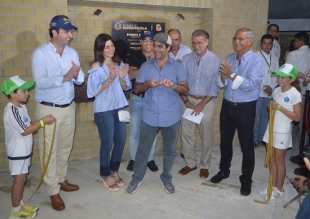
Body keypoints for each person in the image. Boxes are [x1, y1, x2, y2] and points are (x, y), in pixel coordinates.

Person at [31, 15, 84, 211]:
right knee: (49, 151)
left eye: (71, 31)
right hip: (49, 109)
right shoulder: (40, 54)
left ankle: (61, 179)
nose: (70, 35)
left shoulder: (72, 52)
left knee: (64, 147)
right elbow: (40, 81)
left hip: (68, 107)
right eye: (67, 31)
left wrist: (77, 74)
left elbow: (80, 79)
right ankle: (53, 190)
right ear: (54, 32)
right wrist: (65, 77)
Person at [126, 33, 189, 194]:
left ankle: (166, 178)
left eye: (160, 46)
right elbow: (136, 88)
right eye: (155, 46)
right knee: (143, 149)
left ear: (168, 48)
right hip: (150, 114)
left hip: (171, 115)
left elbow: (185, 89)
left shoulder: (177, 67)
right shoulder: (146, 67)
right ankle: (136, 179)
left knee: (169, 151)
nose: (156, 49)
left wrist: (174, 86)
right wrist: (147, 84)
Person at [210, 28, 264, 196]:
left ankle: (246, 179)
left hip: (245, 108)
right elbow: (220, 83)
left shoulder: (256, 60)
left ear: (249, 41)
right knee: (225, 142)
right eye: (235, 38)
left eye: (241, 39)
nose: (237, 42)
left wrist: (231, 74)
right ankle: (224, 171)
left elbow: (251, 85)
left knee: (246, 145)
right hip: (227, 106)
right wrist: (224, 77)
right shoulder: (230, 57)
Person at [1, 75, 55, 219]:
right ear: (12, 93)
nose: (27, 93)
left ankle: (19, 205)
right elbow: (25, 131)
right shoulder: (11, 110)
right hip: (18, 152)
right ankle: (15, 211)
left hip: (24, 151)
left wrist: (40, 121)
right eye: (23, 91)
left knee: (23, 179)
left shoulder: (21, 107)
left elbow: (28, 123)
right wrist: (43, 122)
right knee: (19, 181)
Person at [87, 33, 131, 192]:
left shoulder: (119, 64)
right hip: (104, 110)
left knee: (120, 140)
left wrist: (120, 78)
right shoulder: (96, 67)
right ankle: (105, 173)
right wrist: (110, 79)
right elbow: (92, 92)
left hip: (119, 108)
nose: (111, 49)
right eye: (106, 47)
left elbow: (126, 88)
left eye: (112, 46)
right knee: (107, 142)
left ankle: (114, 170)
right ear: (100, 49)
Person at [178, 29, 221, 179]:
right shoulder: (186, 59)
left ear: (207, 42)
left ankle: (205, 165)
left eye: (200, 43)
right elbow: (181, 82)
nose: (197, 46)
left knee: (206, 135)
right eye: (194, 43)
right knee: (187, 133)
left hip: (206, 101)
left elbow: (215, 86)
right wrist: (187, 101)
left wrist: (201, 104)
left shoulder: (216, 60)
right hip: (187, 99)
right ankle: (190, 163)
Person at [259, 64, 302, 200]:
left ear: (292, 79)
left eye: (284, 77)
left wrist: (280, 107)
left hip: (282, 131)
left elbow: (297, 117)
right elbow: (272, 105)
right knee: (271, 158)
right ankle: (272, 185)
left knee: (279, 160)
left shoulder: (294, 94)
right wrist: (269, 106)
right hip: (271, 128)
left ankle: (280, 189)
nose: (280, 79)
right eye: (279, 76)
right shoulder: (277, 90)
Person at [127, 30, 158, 172]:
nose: (148, 43)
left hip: (153, 100)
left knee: (151, 131)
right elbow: (130, 75)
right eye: (145, 40)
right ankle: (134, 158)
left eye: (151, 41)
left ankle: (149, 159)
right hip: (137, 99)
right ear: (140, 42)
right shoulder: (134, 56)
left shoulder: (160, 56)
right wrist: (147, 66)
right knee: (134, 131)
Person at [286, 32, 310, 165]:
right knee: (305, 124)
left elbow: (287, 73)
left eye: (295, 41)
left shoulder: (293, 54)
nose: (294, 44)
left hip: (295, 93)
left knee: (290, 120)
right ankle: (305, 152)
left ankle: (298, 152)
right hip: (308, 94)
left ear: (301, 41)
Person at [253, 34, 279, 148]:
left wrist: (271, 87)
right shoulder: (255, 56)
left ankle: (261, 138)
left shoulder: (275, 57)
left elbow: (276, 74)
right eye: (265, 43)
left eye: (269, 44)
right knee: (254, 115)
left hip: (270, 92)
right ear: (260, 44)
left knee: (265, 116)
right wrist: (265, 87)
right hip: (257, 91)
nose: (267, 46)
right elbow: (254, 76)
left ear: (272, 45)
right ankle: (253, 139)